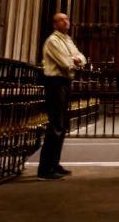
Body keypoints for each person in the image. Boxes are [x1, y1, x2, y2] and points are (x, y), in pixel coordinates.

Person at [37, 12, 86, 180]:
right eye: (62, 20)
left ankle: (54, 163)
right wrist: (74, 60)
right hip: (55, 83)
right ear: (54, 24)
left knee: (62, 125)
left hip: (65, 83)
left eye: (67, 19)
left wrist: (76, 59)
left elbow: (82, 57)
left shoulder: (68, 40)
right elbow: (66, 64)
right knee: (56, 125)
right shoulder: (53, 41)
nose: (66, 22)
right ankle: (44, 169)